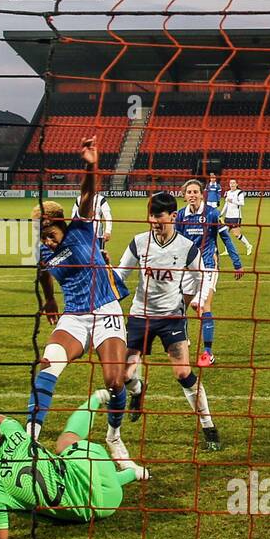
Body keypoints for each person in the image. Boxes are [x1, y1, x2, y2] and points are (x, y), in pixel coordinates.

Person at [31, 138, 137, 472]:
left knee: (114, 382)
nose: (45, 239)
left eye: (47, 231)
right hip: (74, 317)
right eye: (40, 234)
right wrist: (49, 300)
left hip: (106, 311)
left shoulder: (81, 228)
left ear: (59, 222)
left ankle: (114, 436)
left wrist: (91, 165)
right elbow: (43, 273)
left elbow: (88, 194)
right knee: (47, 366)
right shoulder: (45, 251)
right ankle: (29, 442)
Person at [0, 390, 147, 539]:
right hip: (98, 469)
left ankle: (133, 473)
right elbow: (0, 418)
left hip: (101, 508)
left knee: (66, 453)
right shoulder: (14, 429)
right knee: (66, 442)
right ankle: (96, 398)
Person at [117, 191, 220, 448]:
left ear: (173, 216)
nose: (154, 221)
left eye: (159, 216)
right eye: (151, 216)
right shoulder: (139, 243)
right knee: (123, 374)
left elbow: (201, 277)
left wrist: (192, 300)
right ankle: (139, 391)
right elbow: (120, 275)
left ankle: (209, 428)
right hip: (140, 317)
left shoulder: (186, 248)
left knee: (183, 372)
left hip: (172, 319)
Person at [176, 178, 243, 367]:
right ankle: (184, 340)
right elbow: (176, 242)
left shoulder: (212, 214)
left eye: (195, 192)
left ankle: (207, 353)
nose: (192, 195)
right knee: (179, 308)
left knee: (204, 306)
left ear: (201, 194)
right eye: (189, 192)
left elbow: (226, 239)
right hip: (188, 269)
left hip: (208, 266)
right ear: (184, 195)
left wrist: (237, 263)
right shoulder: (181, 216)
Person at [71, 189, 114, 263]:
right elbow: (73, 215)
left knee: (99, 258)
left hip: (97, 234)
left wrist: (108, 231)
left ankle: (100, 273)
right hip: (83, 233)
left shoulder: (101, 199)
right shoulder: (79, 199)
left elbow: (108, 216)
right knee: (84, 257)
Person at [222, 178, 254, 255]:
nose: (232, 184)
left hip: (236, 217)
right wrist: (221, 213)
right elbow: (226, 204)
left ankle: (248, 245)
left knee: (236, 234)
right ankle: (227, 250)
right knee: (225, 233)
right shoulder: (228, 192)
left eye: (233, 183)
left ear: (236, 184)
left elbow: (242, 203)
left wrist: (232, 201)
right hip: (228, 216)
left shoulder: (239, 193)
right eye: (230, 183)